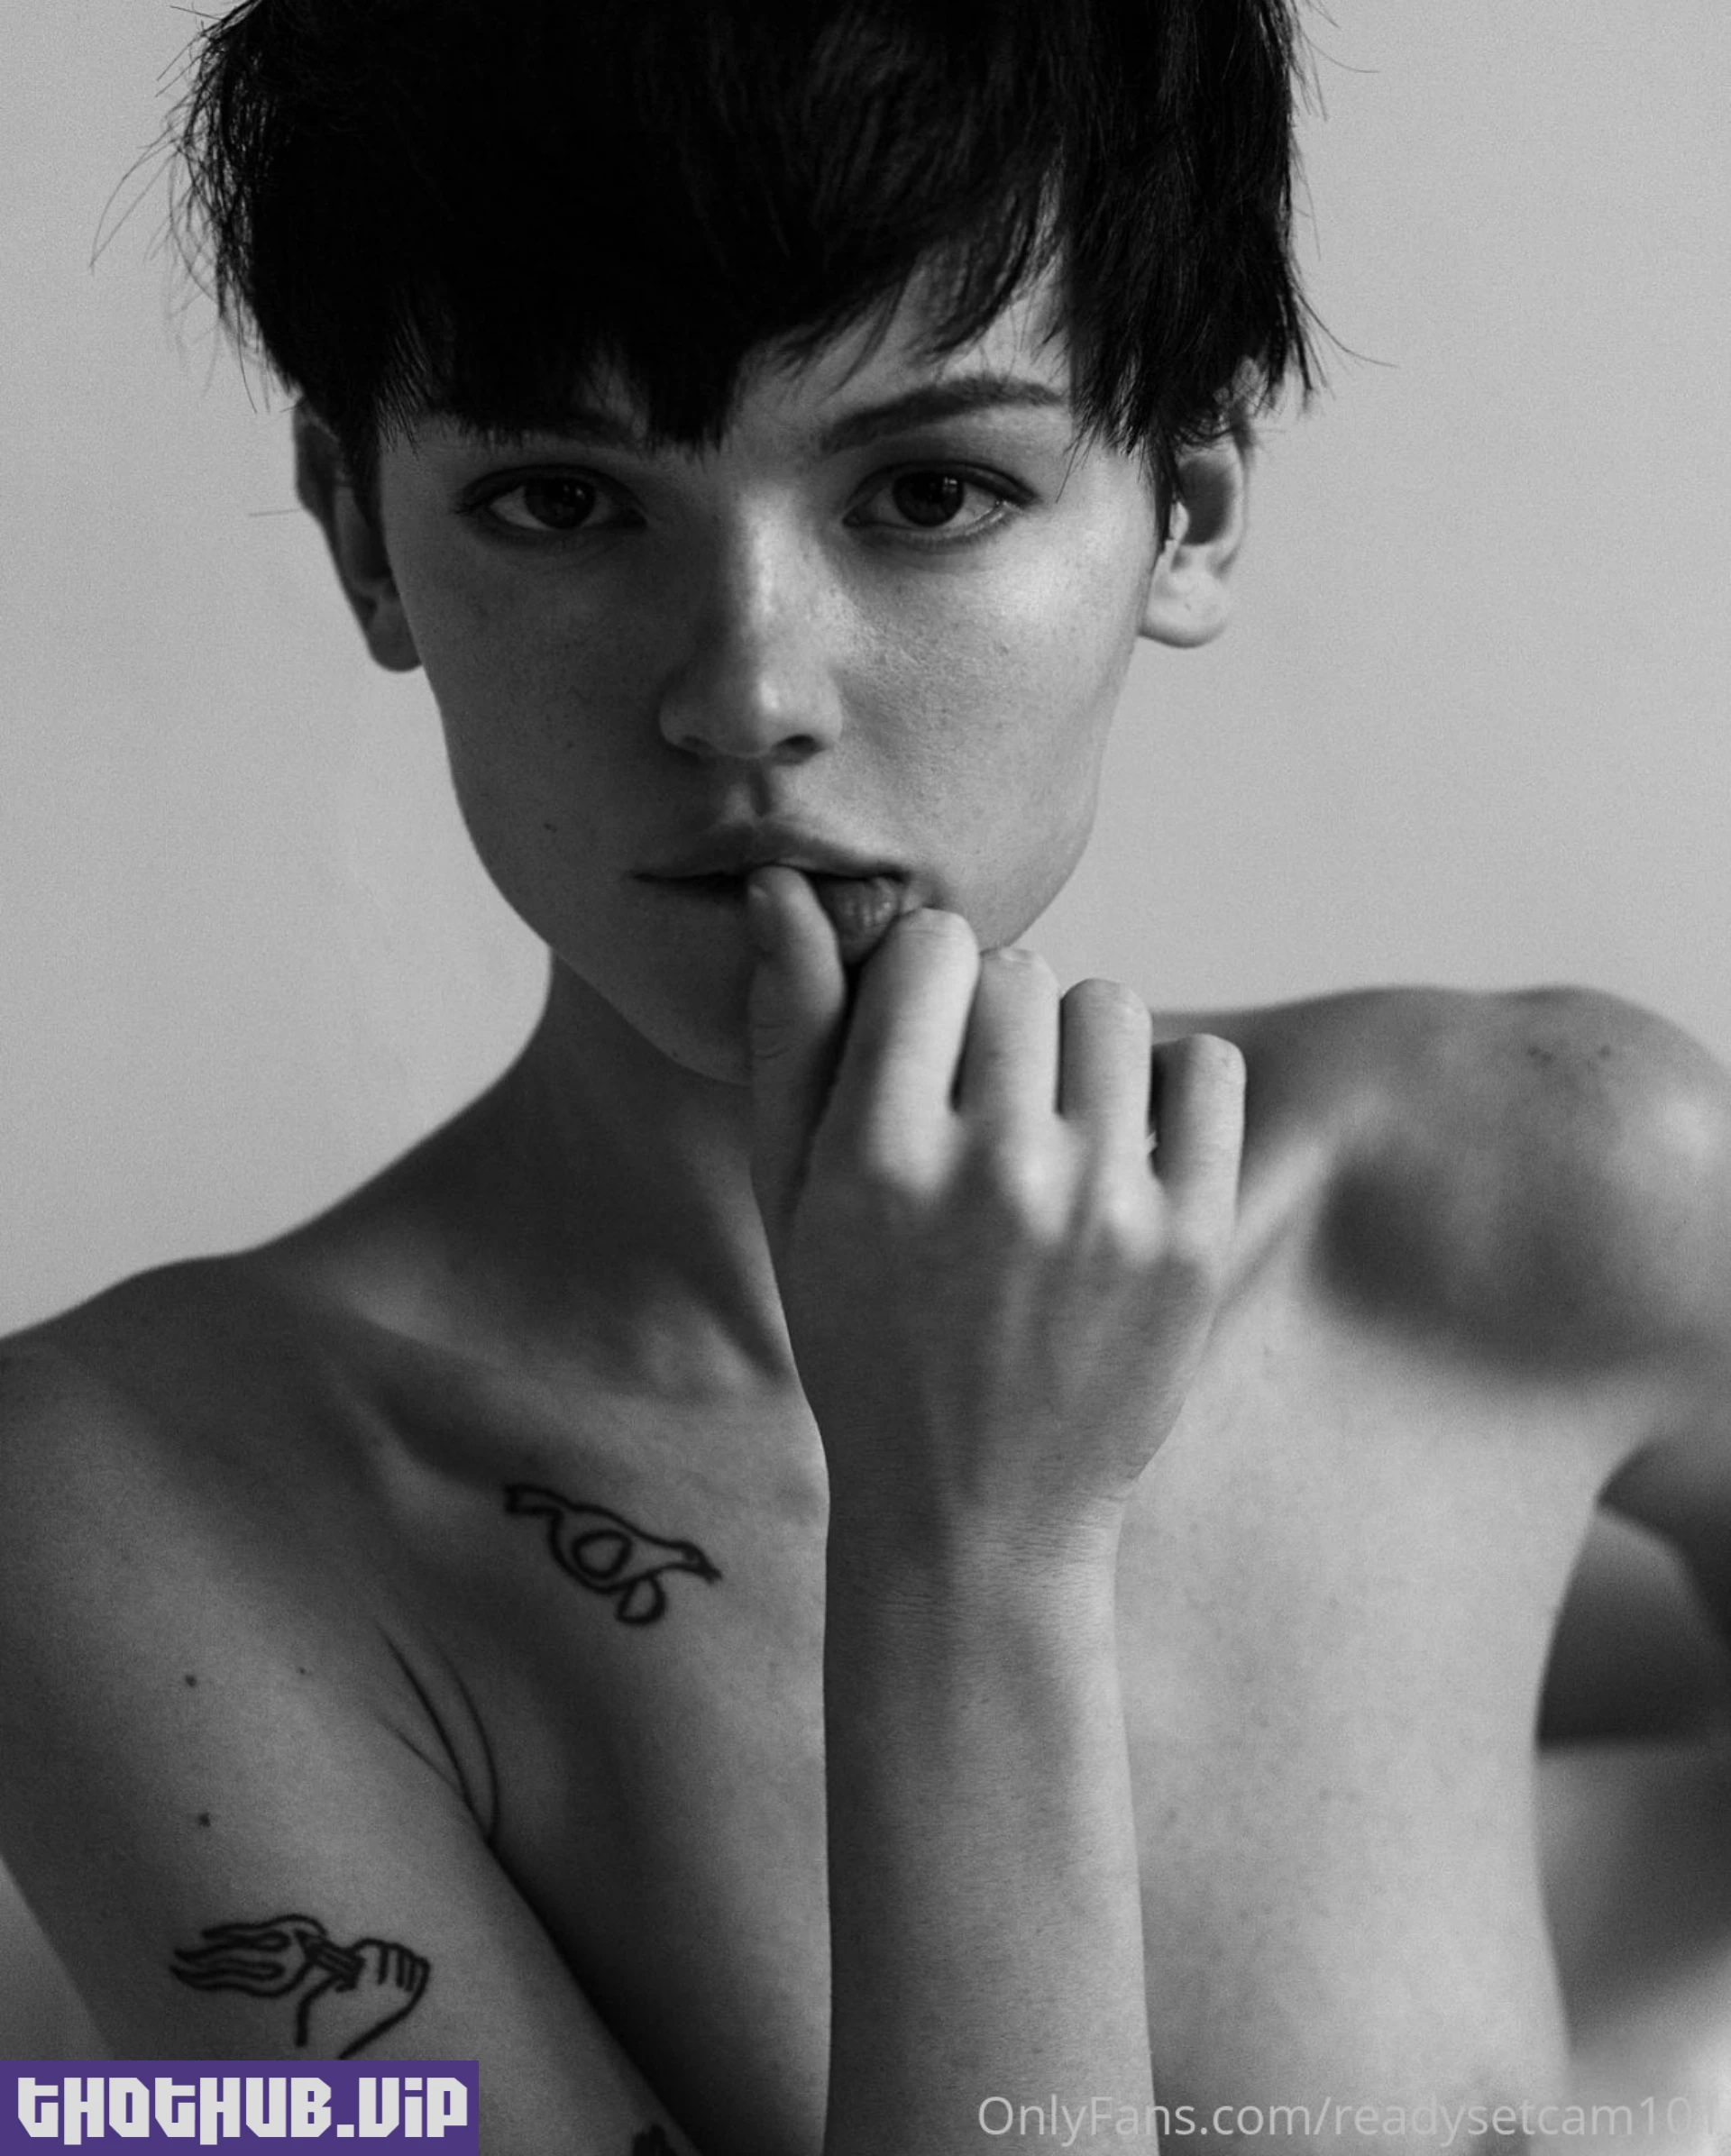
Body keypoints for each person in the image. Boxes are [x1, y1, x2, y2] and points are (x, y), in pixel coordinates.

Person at [1, 1, 1727, 2149]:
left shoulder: (1541, 1181)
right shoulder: (136, 1512)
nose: (744, 690)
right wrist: (976, 1545)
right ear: (364, 537)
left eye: (927, 490)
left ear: (1184, 507)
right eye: (559, 499)